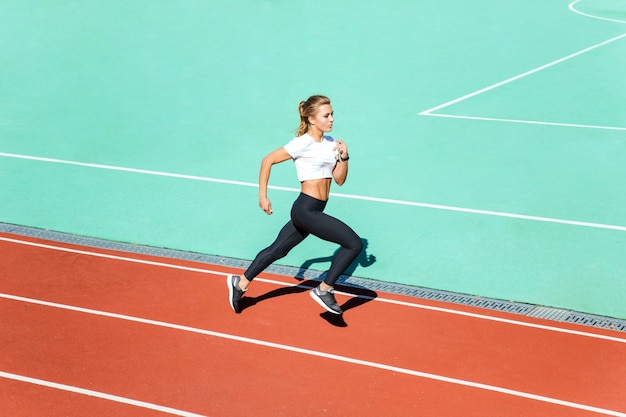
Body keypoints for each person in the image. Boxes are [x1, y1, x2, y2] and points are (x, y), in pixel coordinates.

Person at [227, 95, 362, 315]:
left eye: (332, 114)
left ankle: (240, 283)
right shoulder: (302, 143)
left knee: (277, 250)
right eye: (326, 115)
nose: (331, 119)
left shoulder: (330, 143)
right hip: (305, 209)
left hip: (316, 209)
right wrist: (263, 196)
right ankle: (324, 289)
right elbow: (267, 160)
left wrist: (344, 158)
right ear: (311, 119)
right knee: (353, 244)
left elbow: (338, 180)